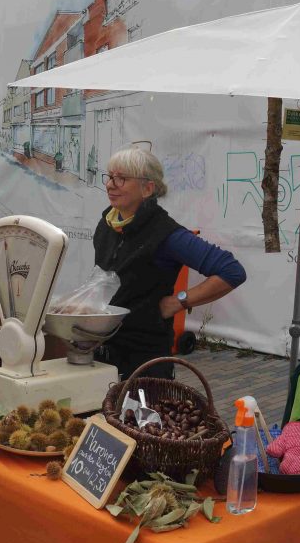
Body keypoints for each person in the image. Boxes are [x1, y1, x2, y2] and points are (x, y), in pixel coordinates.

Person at [93, 147, 246, 379]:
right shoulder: (107, 224)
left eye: (121, 178)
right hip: (102, 352)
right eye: (110, 176)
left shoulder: (166, 235)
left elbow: (231, 271)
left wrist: (178, 302)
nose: (110, 184)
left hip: (143, 363)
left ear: (147, 188)